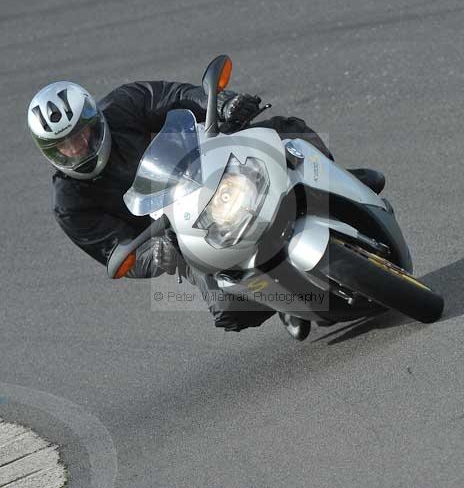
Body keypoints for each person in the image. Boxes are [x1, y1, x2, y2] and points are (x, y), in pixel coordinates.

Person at [27, 79, 384, 332]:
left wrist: (225, 103)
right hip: (176, 234)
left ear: (95, 121)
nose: (77, 148)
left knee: (284, 131)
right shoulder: (69, 203)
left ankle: (341, 181)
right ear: (50, 152)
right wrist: (155, 255)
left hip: (207, 167)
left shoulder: (124, 103)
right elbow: (115, 251)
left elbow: (179, 96)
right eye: (64, 146)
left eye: (81, 134)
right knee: (229, 311)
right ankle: (288, 302)